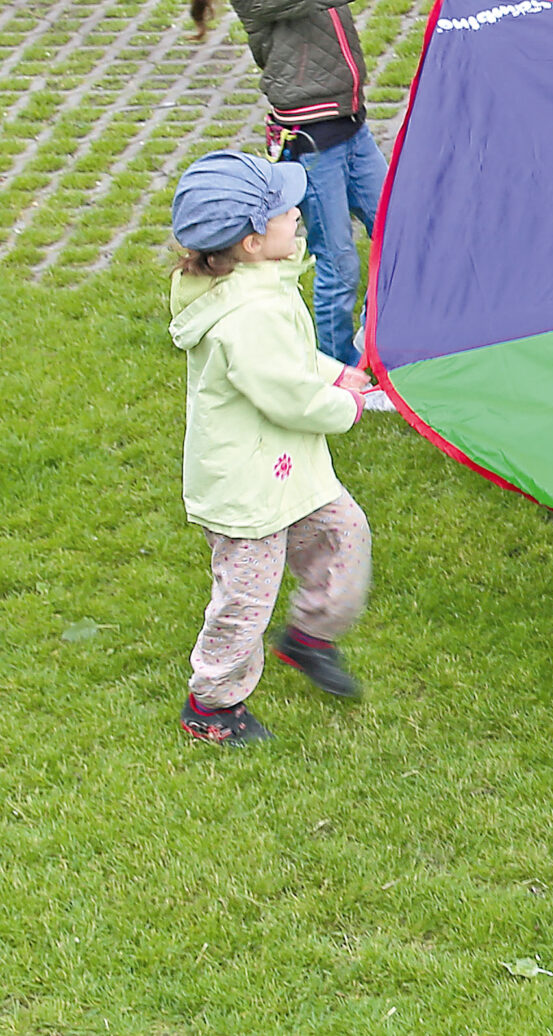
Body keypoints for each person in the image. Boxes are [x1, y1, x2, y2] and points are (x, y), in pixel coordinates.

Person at [187, 0, 444, 382]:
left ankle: (377, 341)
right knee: (338, 263)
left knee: (399, 229)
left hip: (352, 127)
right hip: (311, 142)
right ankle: (338, 371)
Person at [168, 151, 378, 746]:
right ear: (253, 242)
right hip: (247, 491)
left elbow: (290, 359)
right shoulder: (247, 314)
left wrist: (334, 372)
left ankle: (309, 636)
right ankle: (210, 706)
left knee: (345, 535)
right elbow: (288, 395)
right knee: (245, 600)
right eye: (287, 212)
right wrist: (347, 406)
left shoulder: (260, 284)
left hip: (288, 470)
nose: (298, 216)